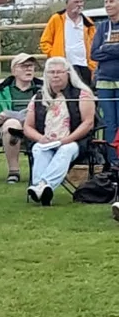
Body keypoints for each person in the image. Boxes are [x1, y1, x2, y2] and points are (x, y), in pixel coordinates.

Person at [22, 56, 96, 205]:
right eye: (51, 72)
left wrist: (66, 140)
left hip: (75, 142)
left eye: (59, 72)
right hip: (46, 141)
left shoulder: (82, 94)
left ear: (68, 73)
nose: (55, 75)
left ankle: (40, 185)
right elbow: (27, 127)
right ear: (46, 75)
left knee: (66, 150)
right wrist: (40, 138)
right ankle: (44, 189)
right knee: (38, 149)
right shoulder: (38, 97)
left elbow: (88, 123)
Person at [0, 53, 43, 183]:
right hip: (11, 131)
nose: (29, 69)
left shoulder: (43, 89)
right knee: (12, 123)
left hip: (38, 129)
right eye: (24, 66)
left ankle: (42, 171)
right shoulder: (0, 91)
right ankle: (14, 172)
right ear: (14, 70)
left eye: (31, 66)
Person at [40, 0, 96, 88]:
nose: (79, 4)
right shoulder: (57, 19)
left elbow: (94, 44)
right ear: (67, 3)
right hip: (64, 67)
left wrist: (92, 64)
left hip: (84, 66)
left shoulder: (88, 22)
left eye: (81, 1)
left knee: (83, 95)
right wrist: (55, 56)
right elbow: (45, 42)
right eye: (76, 2)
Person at [89, 0, 119, 167]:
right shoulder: (102, 27)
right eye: (106, 2)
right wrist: (113, 49)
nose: (107, 4)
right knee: (109, 122)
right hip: (104, 81)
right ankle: (112, 162)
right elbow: (94, 54)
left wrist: (106, 49)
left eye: (111, 1)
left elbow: (102, 51)